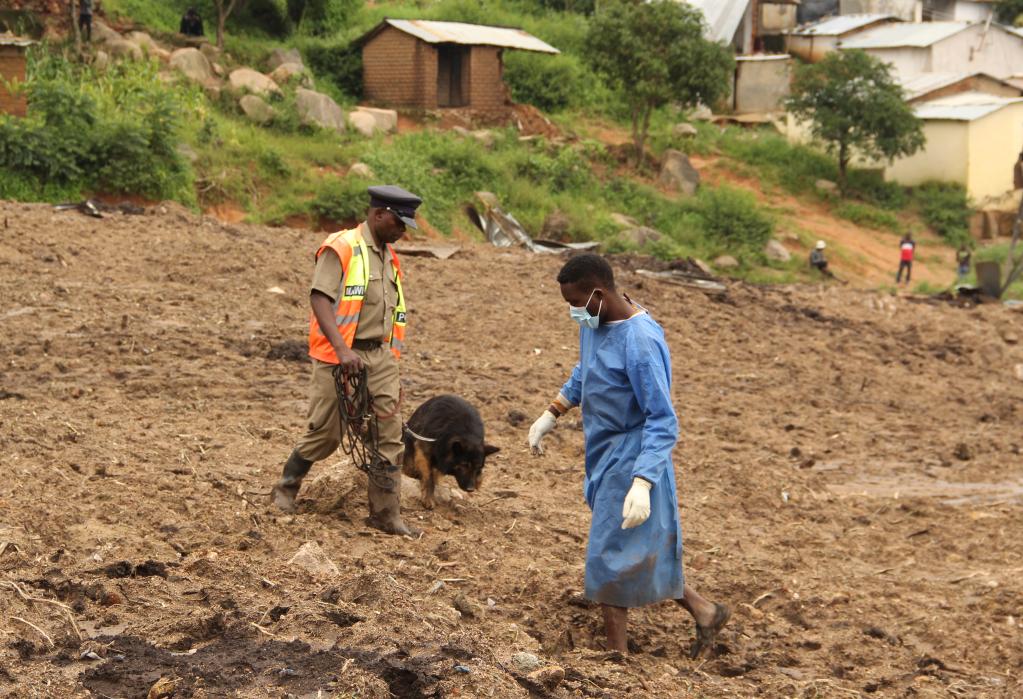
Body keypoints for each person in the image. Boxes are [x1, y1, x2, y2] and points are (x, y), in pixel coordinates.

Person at [527, 254, 729, 657]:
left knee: (607, 550)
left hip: (633, 456)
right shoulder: (597, 321)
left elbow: (662, 418)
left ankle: (615, 653)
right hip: (603, 450)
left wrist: (643, 480)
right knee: (632, 543)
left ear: (599, 294)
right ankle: (704, 610)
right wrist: (553, 411)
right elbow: (586, 370)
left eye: (575, 303)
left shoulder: (641, 341)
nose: (572, 312)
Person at [270, 185, 421, 536]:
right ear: (379, 214)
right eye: (399, 223)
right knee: (326, 433)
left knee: (389, 433)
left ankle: (386, 514)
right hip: (338, 356)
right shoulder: (342, 247)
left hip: (380, 356)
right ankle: (286, 487)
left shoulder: (388, 256)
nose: (402, 232)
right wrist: (341, 350)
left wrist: (388, 358)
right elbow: (320, 298)